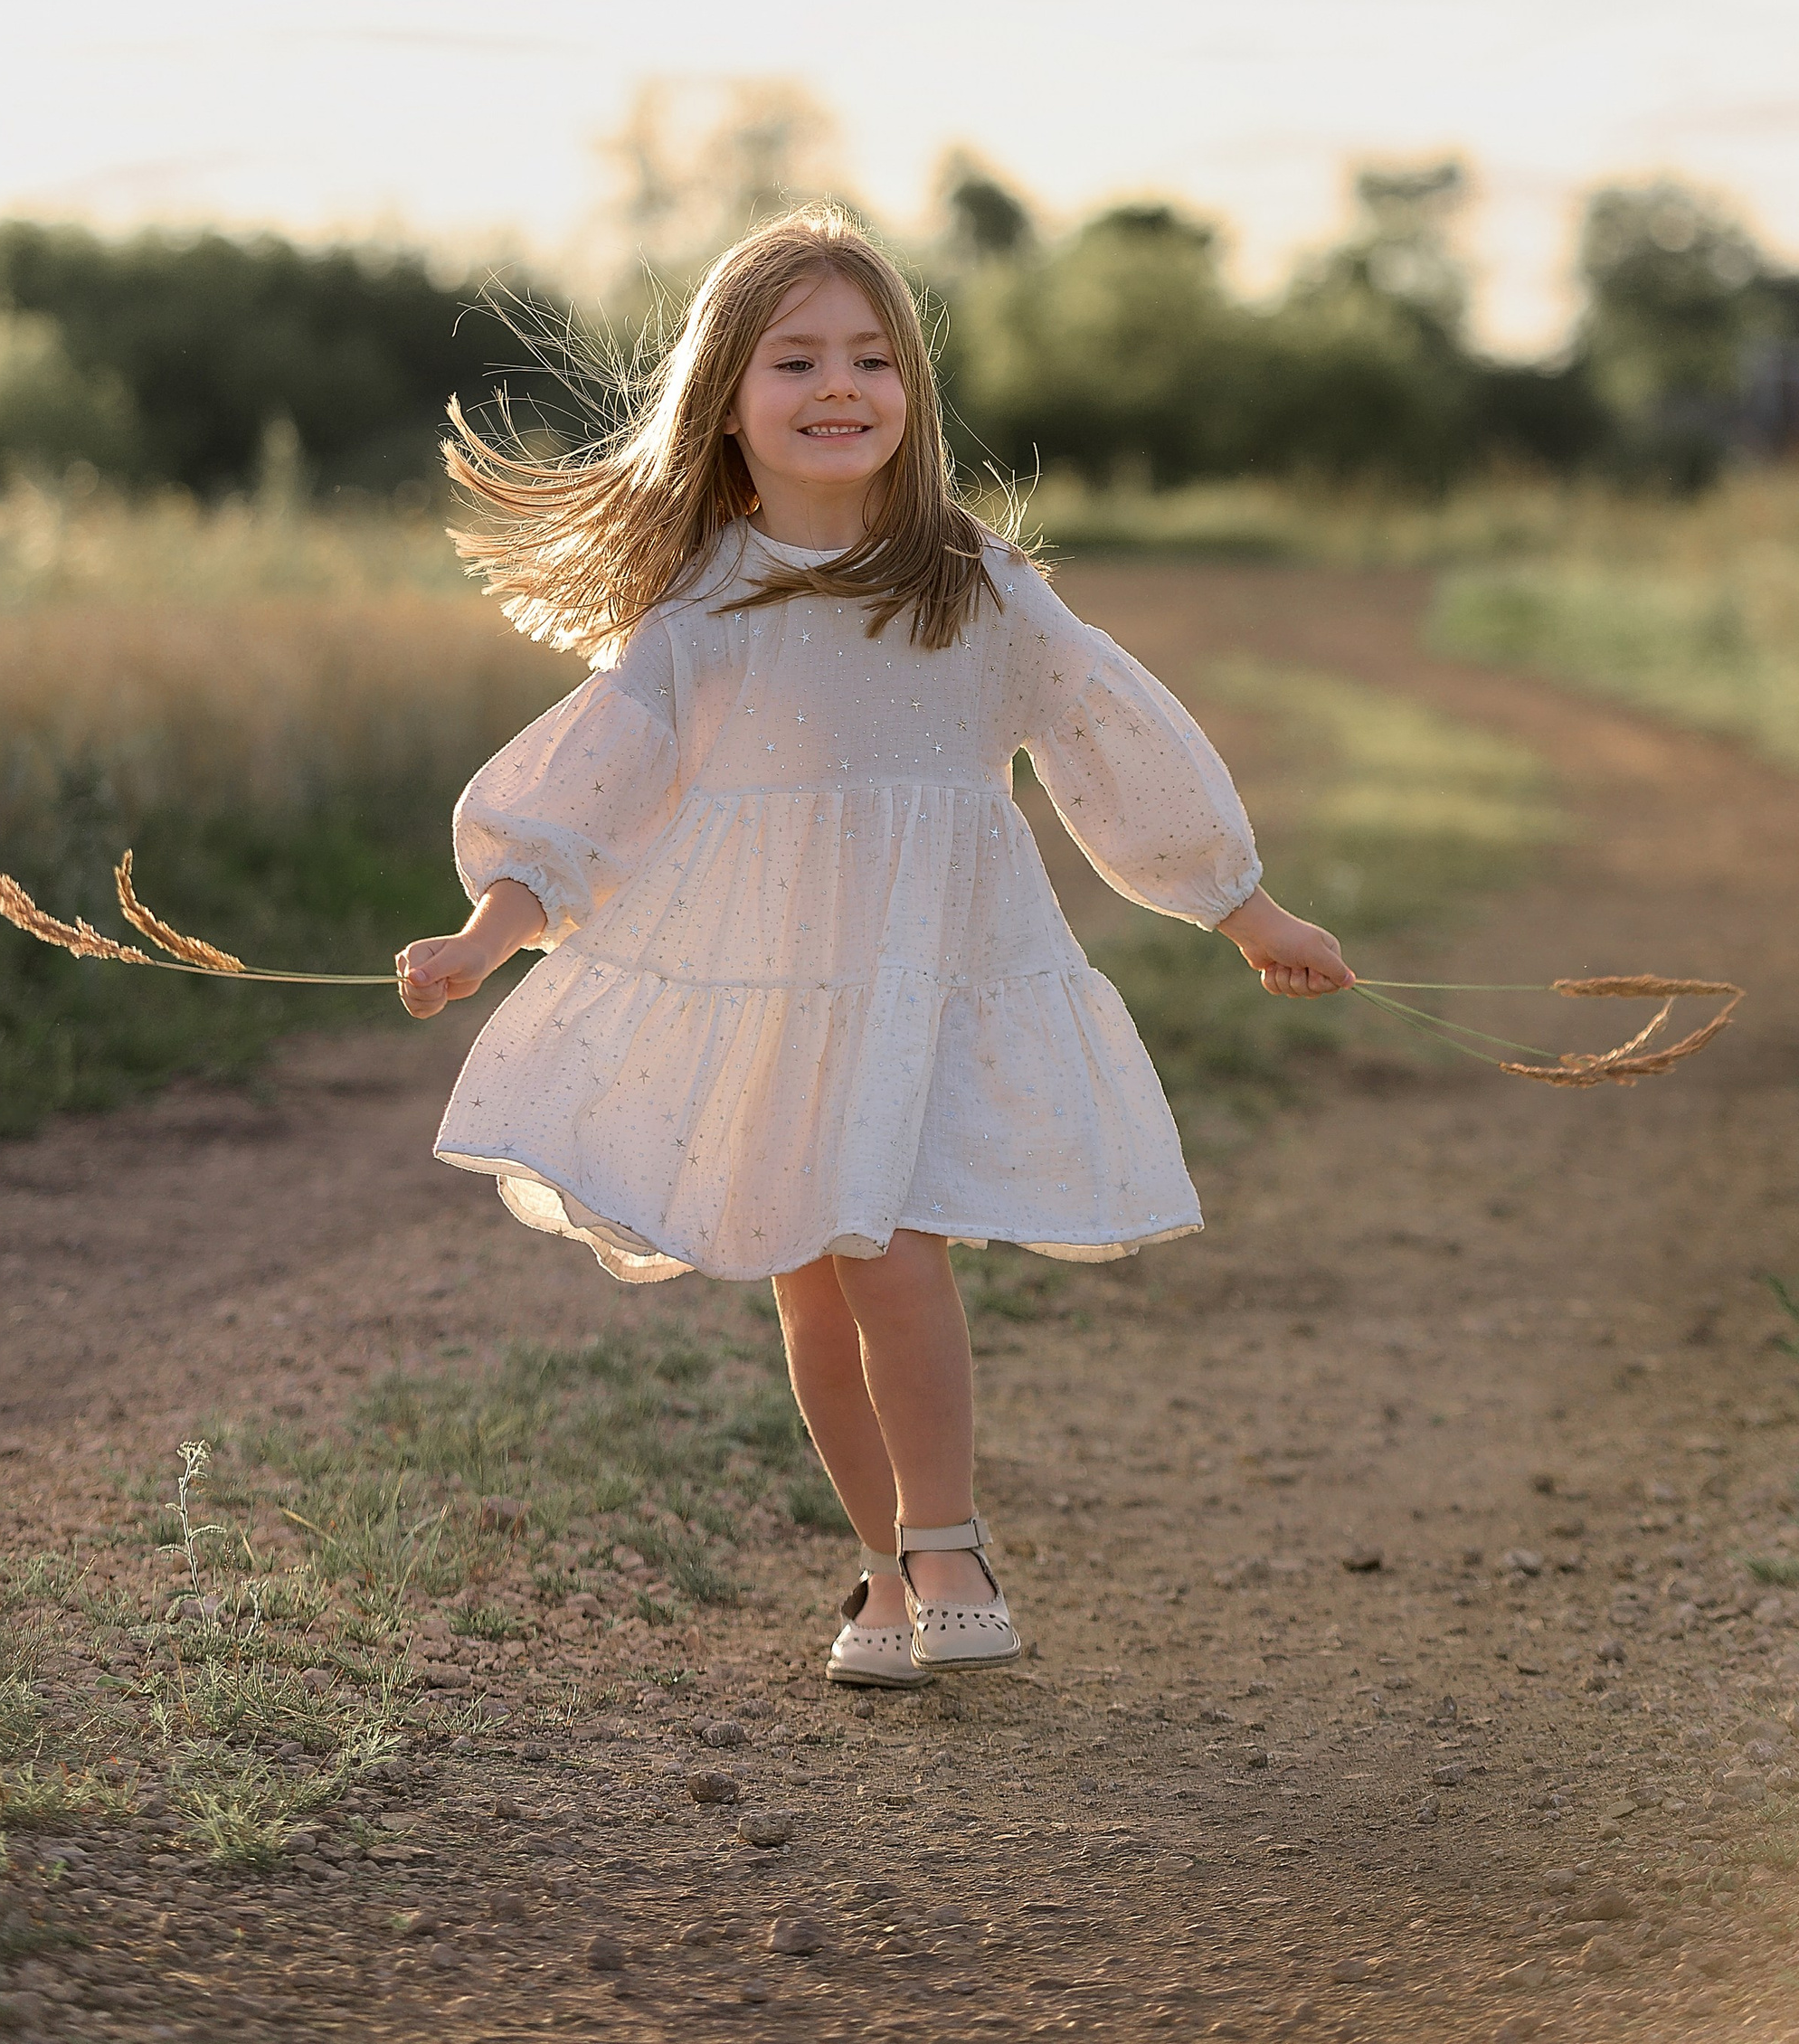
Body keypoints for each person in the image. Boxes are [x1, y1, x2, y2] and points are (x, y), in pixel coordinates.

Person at [397, 207, 1353, 1684]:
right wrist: (487, 930)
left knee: (890, 1241)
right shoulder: (699, 609)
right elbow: (588, 788)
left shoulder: (969, 585)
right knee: (808, 1271)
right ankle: (886, 1570)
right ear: (727, 397)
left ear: (910, 391)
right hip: (777, 991)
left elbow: (1113, 739)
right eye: (796, 359)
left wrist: (1243, 904)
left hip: (924, 974)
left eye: (870, 356)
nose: (838, 385)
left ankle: (950, 1539)